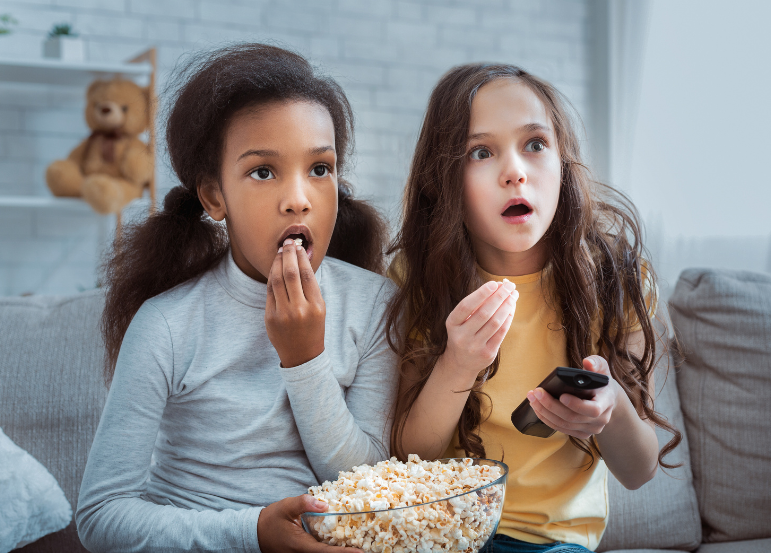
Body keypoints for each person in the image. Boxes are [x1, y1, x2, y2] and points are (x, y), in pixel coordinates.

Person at [76, 44, 395, 553]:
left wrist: (305, 359)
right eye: (263, 171)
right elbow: (100, 516)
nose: (299, 199)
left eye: (320, 168)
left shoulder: (375, 304)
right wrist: (253, 533)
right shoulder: (166, 324)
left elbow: (372, 485)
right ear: (214, 196)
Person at [385, 63, 681, 553]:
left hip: (554, 541)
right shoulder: (417, 279)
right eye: (481, 152)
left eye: (535, 144)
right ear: (443, 180)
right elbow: (410, 455)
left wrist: (611, 409)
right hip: (447, 533)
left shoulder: (617, 278)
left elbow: (639, 469)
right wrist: (458, 363)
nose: (515, 172)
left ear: (564, 163)